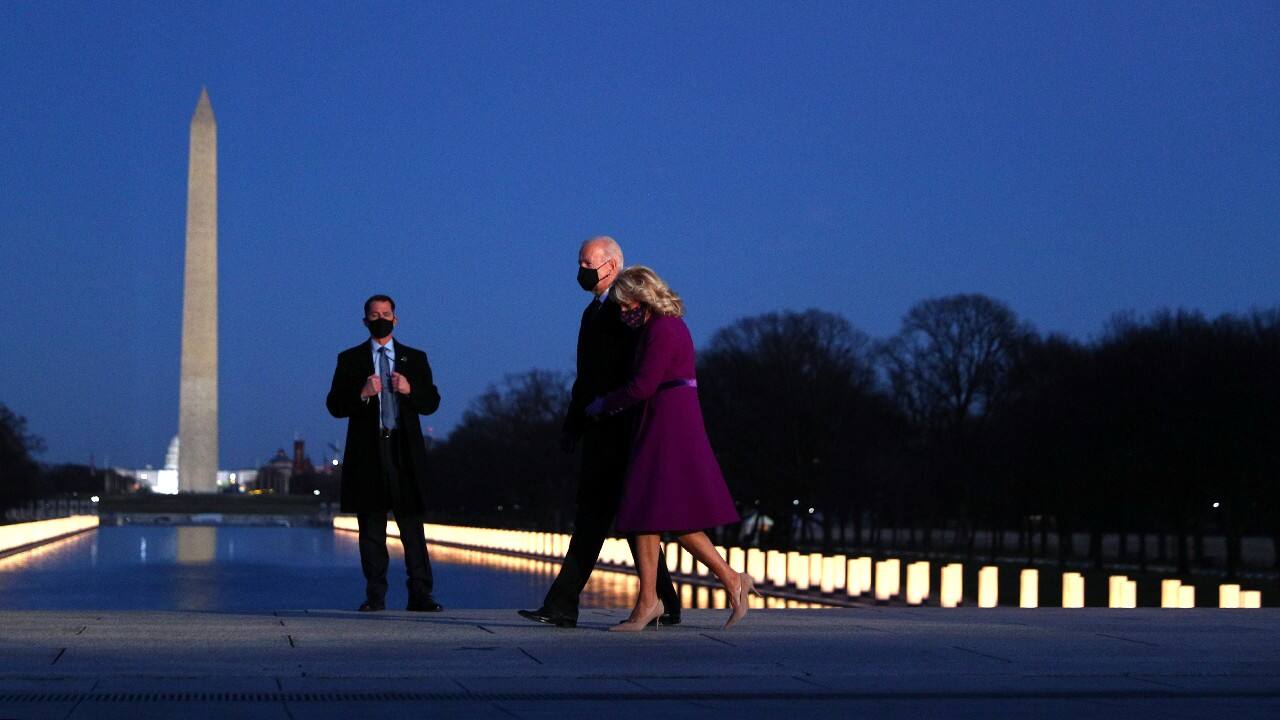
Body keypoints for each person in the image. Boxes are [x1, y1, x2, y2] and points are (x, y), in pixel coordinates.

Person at [518, 237, 680, 629]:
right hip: (602, 425)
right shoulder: (594, 313)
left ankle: (563, 603)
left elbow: (629, 375)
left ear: (611, 266)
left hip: (620, 427)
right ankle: (666, 602)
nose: (581, 269)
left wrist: (598, 413)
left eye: (586, 262)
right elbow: (585, 377)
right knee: (616, 517)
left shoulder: (625, 313)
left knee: (599, 517)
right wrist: (574, 422)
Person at [585, 266, 753, 632]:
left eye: (624, 304)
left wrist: (603, 404)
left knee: (658, 512)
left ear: (638, 299)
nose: (622, 311)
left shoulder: (662, 329)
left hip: (668, 423)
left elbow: (643, 385)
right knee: (652, 512)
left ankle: (660, 598)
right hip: (667, 417)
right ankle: (665, 596)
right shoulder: (664, 326)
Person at [326, 294, 443, 612]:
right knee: (371, 528)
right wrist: (361, 393)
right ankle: (375, 596)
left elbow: (431, 403)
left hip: (403, 450)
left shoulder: (415, 359)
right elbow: (334, 406)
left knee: (412, 526)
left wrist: (410, 390)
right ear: (365, 321)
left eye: (386, 313)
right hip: (368, 451)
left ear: (396, 318)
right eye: (375, 314)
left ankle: (420, 594)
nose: (381, 318)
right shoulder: (349, 359)